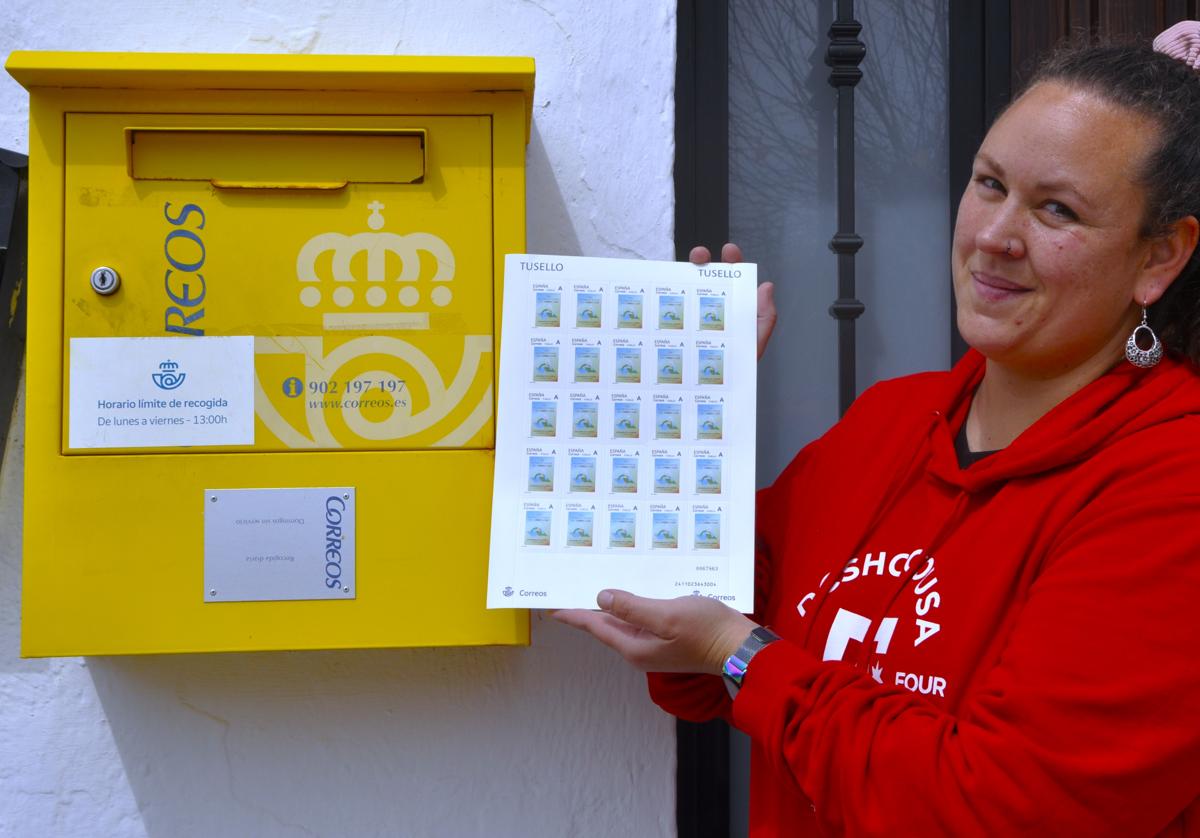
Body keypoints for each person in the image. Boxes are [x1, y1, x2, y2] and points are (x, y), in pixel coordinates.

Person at [554, 29, 1200, 837]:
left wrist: (742, 653)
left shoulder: (1173, 484)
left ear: (1160, 256)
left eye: (1056, 209)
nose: (995, 236)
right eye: (988, 183)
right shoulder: (890, 421)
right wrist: (684, 422)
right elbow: (700, 662)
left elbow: (999, 810)